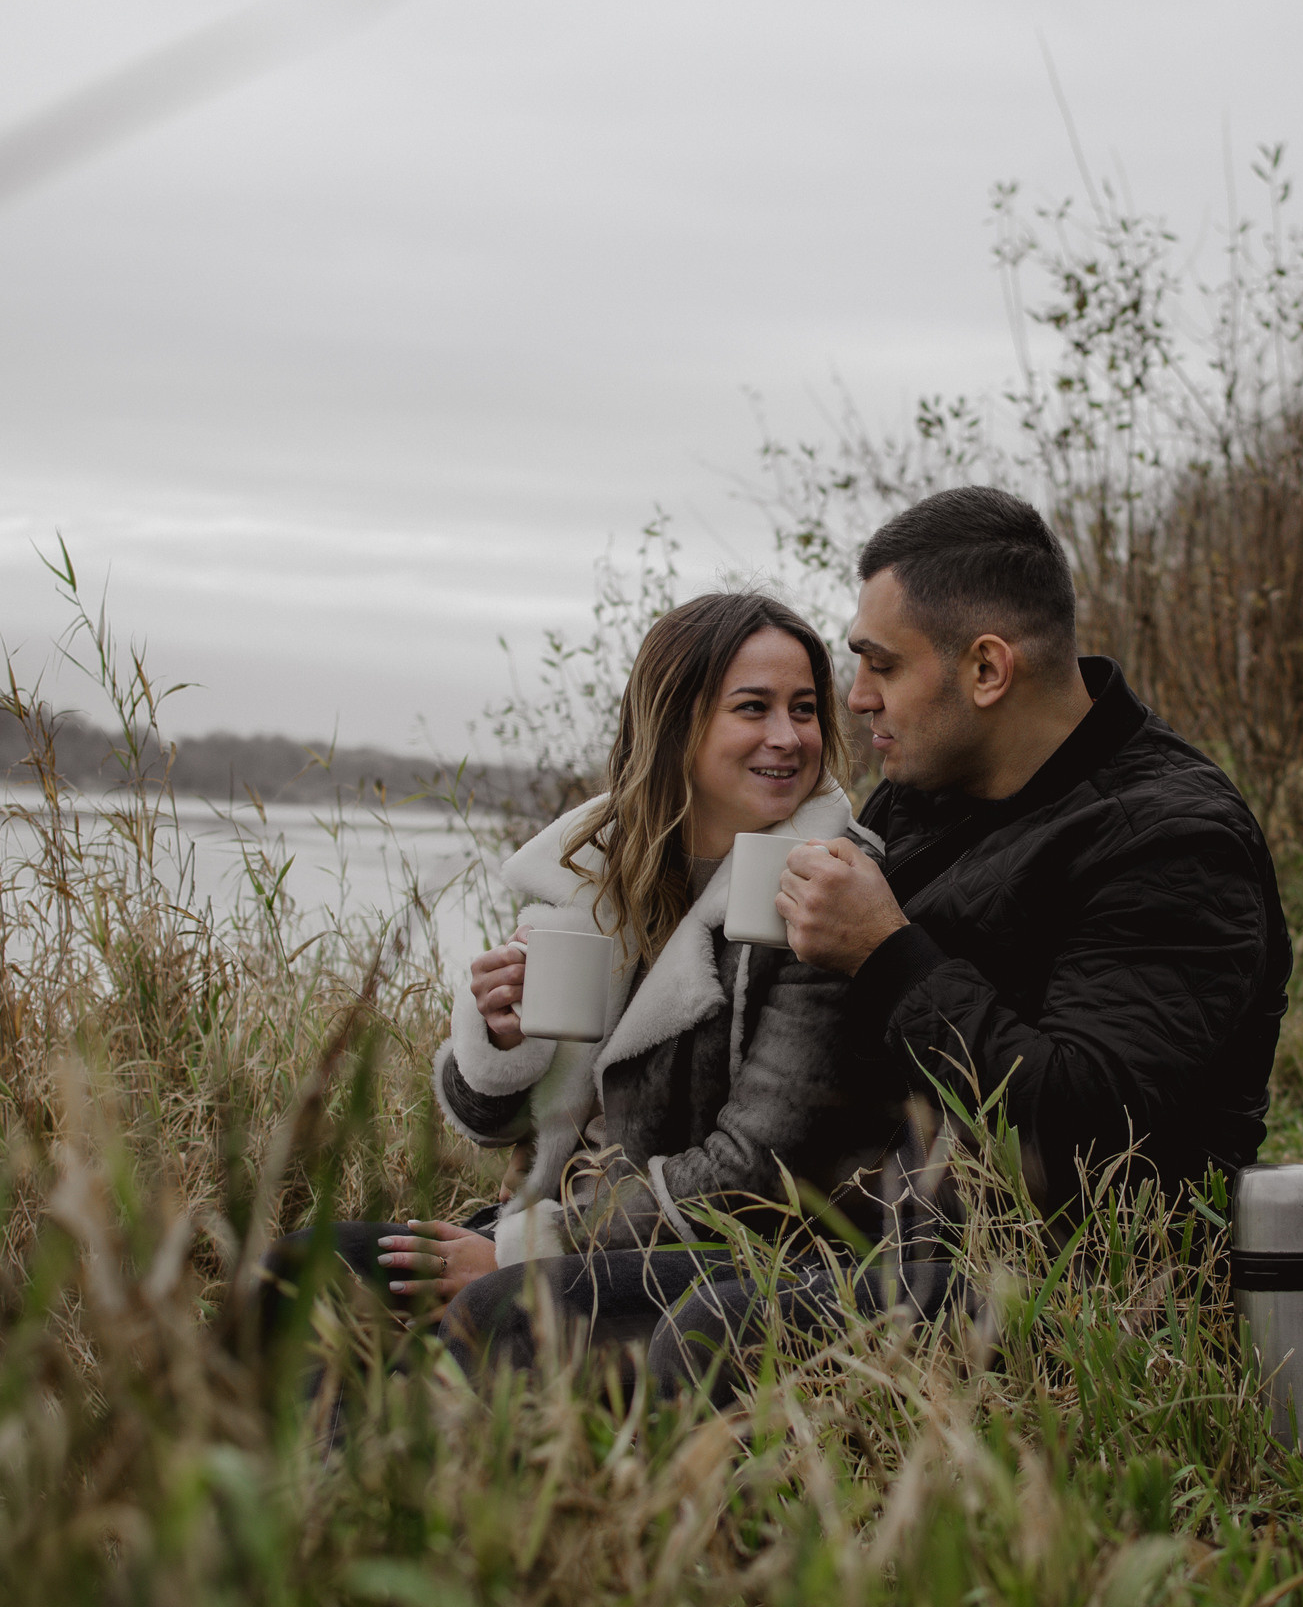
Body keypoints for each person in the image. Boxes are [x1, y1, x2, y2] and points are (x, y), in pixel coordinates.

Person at [255, 591, 905, 1380]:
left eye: (804, 709)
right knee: (297, 1271)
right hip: (567, 1223)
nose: (787, 737)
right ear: (676, 725)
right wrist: (501, 1041)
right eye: (753, 708)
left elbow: (752, 1171)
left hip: (722, 1255)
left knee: (480, 1319)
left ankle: (379, 1484)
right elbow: (487, 1122)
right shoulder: (598, 870)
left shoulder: (825, 887)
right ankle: (285, 1489)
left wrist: (517, 1250)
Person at [778, 485, 1292, 1212]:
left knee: (681, 1323)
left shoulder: (1175, 842)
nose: (857, 697)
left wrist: (884, 953)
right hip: (864, 1226)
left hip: (1080, 1288)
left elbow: (1091, 1138)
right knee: (569, 1289)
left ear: (988, 669)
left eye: (883, 665)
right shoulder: (924, 787)